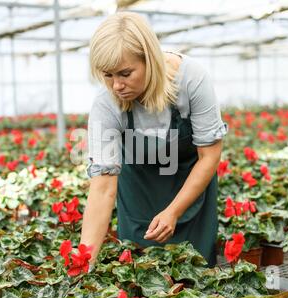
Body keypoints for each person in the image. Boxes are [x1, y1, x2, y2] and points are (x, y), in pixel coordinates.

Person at [80, 12, 228, 268]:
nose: (116, 85)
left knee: (195, 275)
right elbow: (102, 188)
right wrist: (83, 262)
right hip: (138, 195)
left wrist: (174, 211)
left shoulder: (191, 79)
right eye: (108, 75)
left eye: (125, 73)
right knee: (140, 274)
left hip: (189, 188)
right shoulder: (106, 104)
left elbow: (210, 156)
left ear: (149, 59)